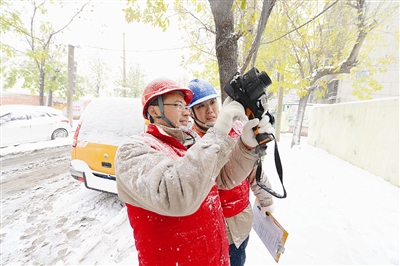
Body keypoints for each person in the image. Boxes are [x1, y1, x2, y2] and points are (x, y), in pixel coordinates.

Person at [115, 77, 269, 265]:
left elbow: (223, 177)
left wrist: (246, 146)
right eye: (179, 105)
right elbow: (178, 196)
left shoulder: (189, 143)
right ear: (154, 110)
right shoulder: (132, 151)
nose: (186, 112)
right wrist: (220, 131)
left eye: (186, 106)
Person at [188, 78, 276, 266]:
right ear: (191, 112)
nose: (210, 110)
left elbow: (254, 172)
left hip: (241, 224)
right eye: (201, 106)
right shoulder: (192, 143)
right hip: (212, 229)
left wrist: (266, 199)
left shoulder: (238, 129)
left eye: (212, 102)